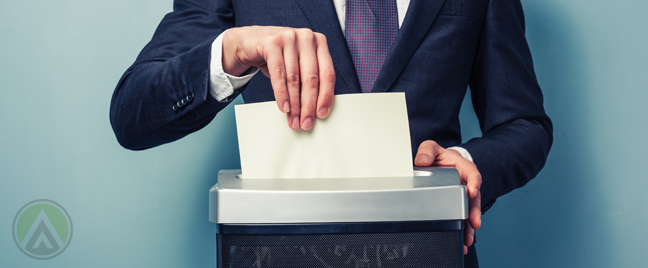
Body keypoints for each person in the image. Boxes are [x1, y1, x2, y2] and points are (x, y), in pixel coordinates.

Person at [110, 0, 553, 266]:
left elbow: (523, 124)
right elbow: (133, 111)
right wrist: (232, 51)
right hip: (280, 257)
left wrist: (470, 163)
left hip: (429, 253)